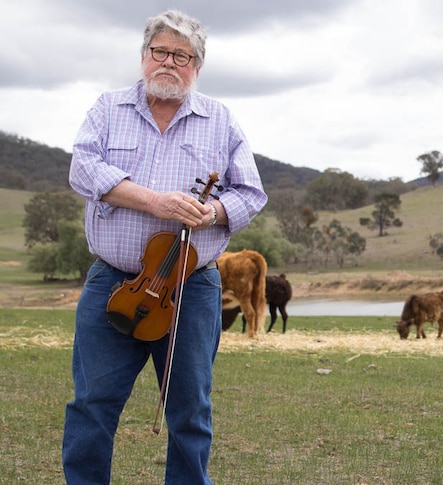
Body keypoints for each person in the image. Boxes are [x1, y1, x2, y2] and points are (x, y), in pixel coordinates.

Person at [63, 10, 267, 484]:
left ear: (196, 67)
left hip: (191, 287)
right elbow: (83, 171)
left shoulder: (221, 121)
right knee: (92, 404)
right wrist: (156, 202)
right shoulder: (107, 109)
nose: (169, 63)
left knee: (190, 410)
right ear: (143, 56)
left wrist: (211, 213)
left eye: (182, 55)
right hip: (113, 280)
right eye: (161, 52)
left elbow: (250, 193)